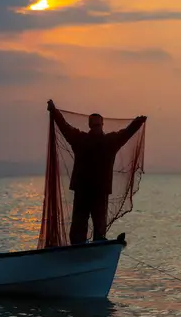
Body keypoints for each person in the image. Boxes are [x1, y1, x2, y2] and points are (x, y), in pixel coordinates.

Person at [47, 99, 147, 244]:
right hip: (98, 191)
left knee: (79, 228)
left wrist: (54, 111)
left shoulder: (80, 139)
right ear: (102, 124)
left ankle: (79, 249)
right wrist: (138, 122)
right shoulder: (109, 141)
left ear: (89, 125)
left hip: (84, 190)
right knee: (98, 228)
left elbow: (64, 126)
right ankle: (95, 247)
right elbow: (127, 132)